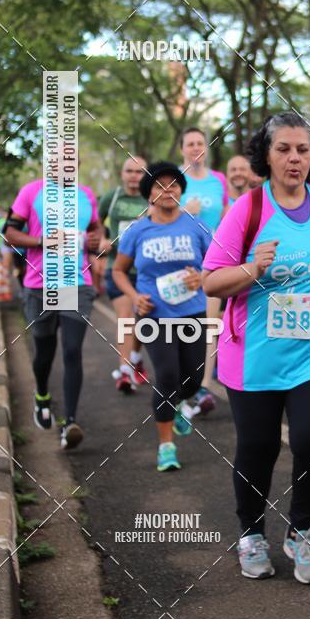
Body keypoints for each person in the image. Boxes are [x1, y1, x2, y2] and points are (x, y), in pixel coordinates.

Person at [202, 112, 310, 583]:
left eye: (303, 150)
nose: (295, 158)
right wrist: (253, 268)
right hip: (255, 354)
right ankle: (251, 534)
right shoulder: (248, 210)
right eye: (284, 149)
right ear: (266, 155)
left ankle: (301, 532)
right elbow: (212, 280)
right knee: (259, 447)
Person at [113, 162, 211, 471]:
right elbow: (118, 271)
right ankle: (166, 446)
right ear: (150, 194)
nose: (167, 191)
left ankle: (179, 403)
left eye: (173, 185)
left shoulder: (196, 226)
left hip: (193, 313)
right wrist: (134, 297)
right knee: (167, 375)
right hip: (154, 316)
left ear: (182, 191)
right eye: (159, 186)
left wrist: (203, 278)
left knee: (193, 380)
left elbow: (217, 264)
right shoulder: (138, 230)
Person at [4, 174, 101, 449]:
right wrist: (42, 242)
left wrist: (95, 242)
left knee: (72, 350)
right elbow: (10, 233)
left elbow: (95, 230)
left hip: (77, 284)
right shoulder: (30, 191)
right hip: (39, 284)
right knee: (44, 353)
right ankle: (42, 394)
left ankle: (69, 422)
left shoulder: (86, 194)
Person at [179, 127, 229, 415]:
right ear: (182, 149)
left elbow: (225, 216)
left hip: (213, 261)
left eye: (200, 143)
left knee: (210, 325)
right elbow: (155, 215)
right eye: (190, 143)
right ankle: (183, 385)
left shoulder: (218, 180)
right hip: (182, 262)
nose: (196, 147)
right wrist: (185, 210)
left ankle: (203, 388)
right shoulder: (173, 180)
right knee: (185, 324)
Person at [99, 157, 149, 393]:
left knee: (143, 320)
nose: (133, 176)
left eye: (139, 172)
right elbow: (95, 222)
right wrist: (101, 239)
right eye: (129, 171)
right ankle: (125, 372)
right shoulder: (113, 197)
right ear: (122, 173)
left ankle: (136, 356)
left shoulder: (152, 198)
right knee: (126, 318)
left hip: (146, 270)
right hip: (117, 267)